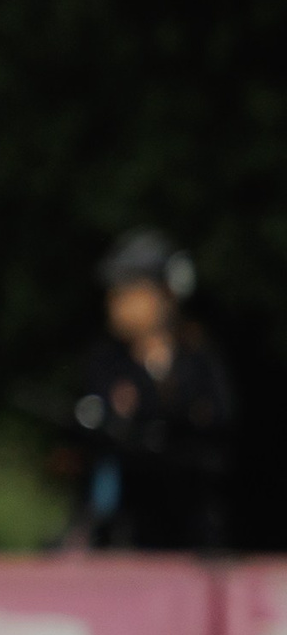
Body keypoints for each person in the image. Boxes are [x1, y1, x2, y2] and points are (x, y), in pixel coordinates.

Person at [72, 230, 231, 551]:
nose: (115, 303)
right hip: (125, 529)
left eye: (128, 291)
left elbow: (219, 421)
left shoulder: (197, 360)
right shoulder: (108, 364)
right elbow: (93, 429)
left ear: (164, 294)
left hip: (191, 528)